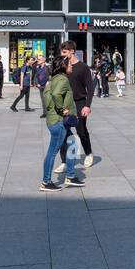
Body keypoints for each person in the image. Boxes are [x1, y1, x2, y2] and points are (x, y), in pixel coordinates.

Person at [40, 56, 84, 191]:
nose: (72, 66)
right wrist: (61, 109)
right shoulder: (63, 79)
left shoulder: (54, 79)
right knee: (52, 151)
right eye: (70, 64)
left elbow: (48, 95)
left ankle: (70, 176)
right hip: (58, 122)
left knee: (72, 142)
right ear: (64, 66)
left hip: (56, 121)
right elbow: (56, 94)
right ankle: (46, 182)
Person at [55, 41, 96, 171]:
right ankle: (64, 162)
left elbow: (90, 88)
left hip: (79, 103)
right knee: (63, 132)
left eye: (64, 52)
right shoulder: (62, 66)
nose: (62, 55)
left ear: (72, 51)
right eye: (61, 52)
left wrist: (87, 106)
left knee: (81, 131)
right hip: (65, 103)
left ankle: (88, 153)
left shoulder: (83, 67)